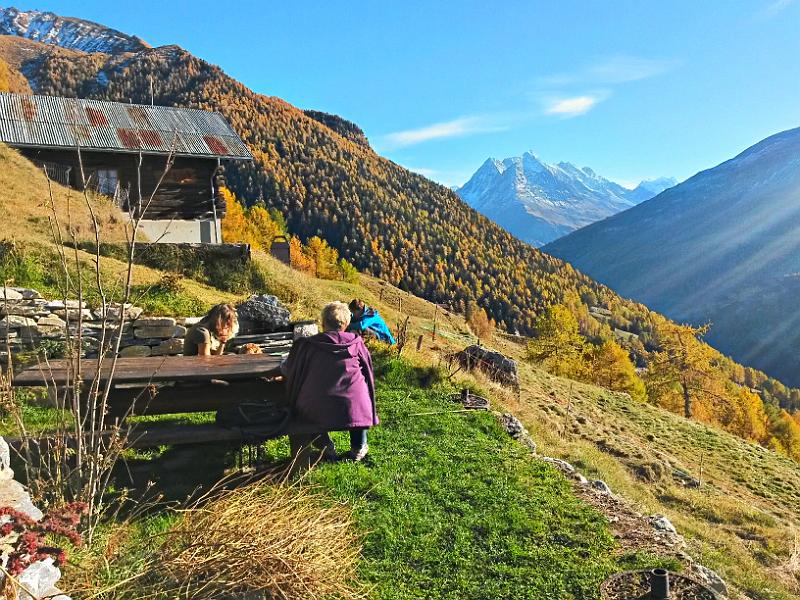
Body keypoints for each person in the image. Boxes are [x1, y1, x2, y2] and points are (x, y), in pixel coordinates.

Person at [283, 301, 377, 461]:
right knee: (359, 398)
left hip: (317, 407)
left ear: (323, 323)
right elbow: (368, 370)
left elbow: (289, 368)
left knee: (303, 411)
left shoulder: (308, 345)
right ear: (347, 323)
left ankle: (326, 446)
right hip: (353, 407)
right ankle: (359, 448)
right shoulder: (357, 343)